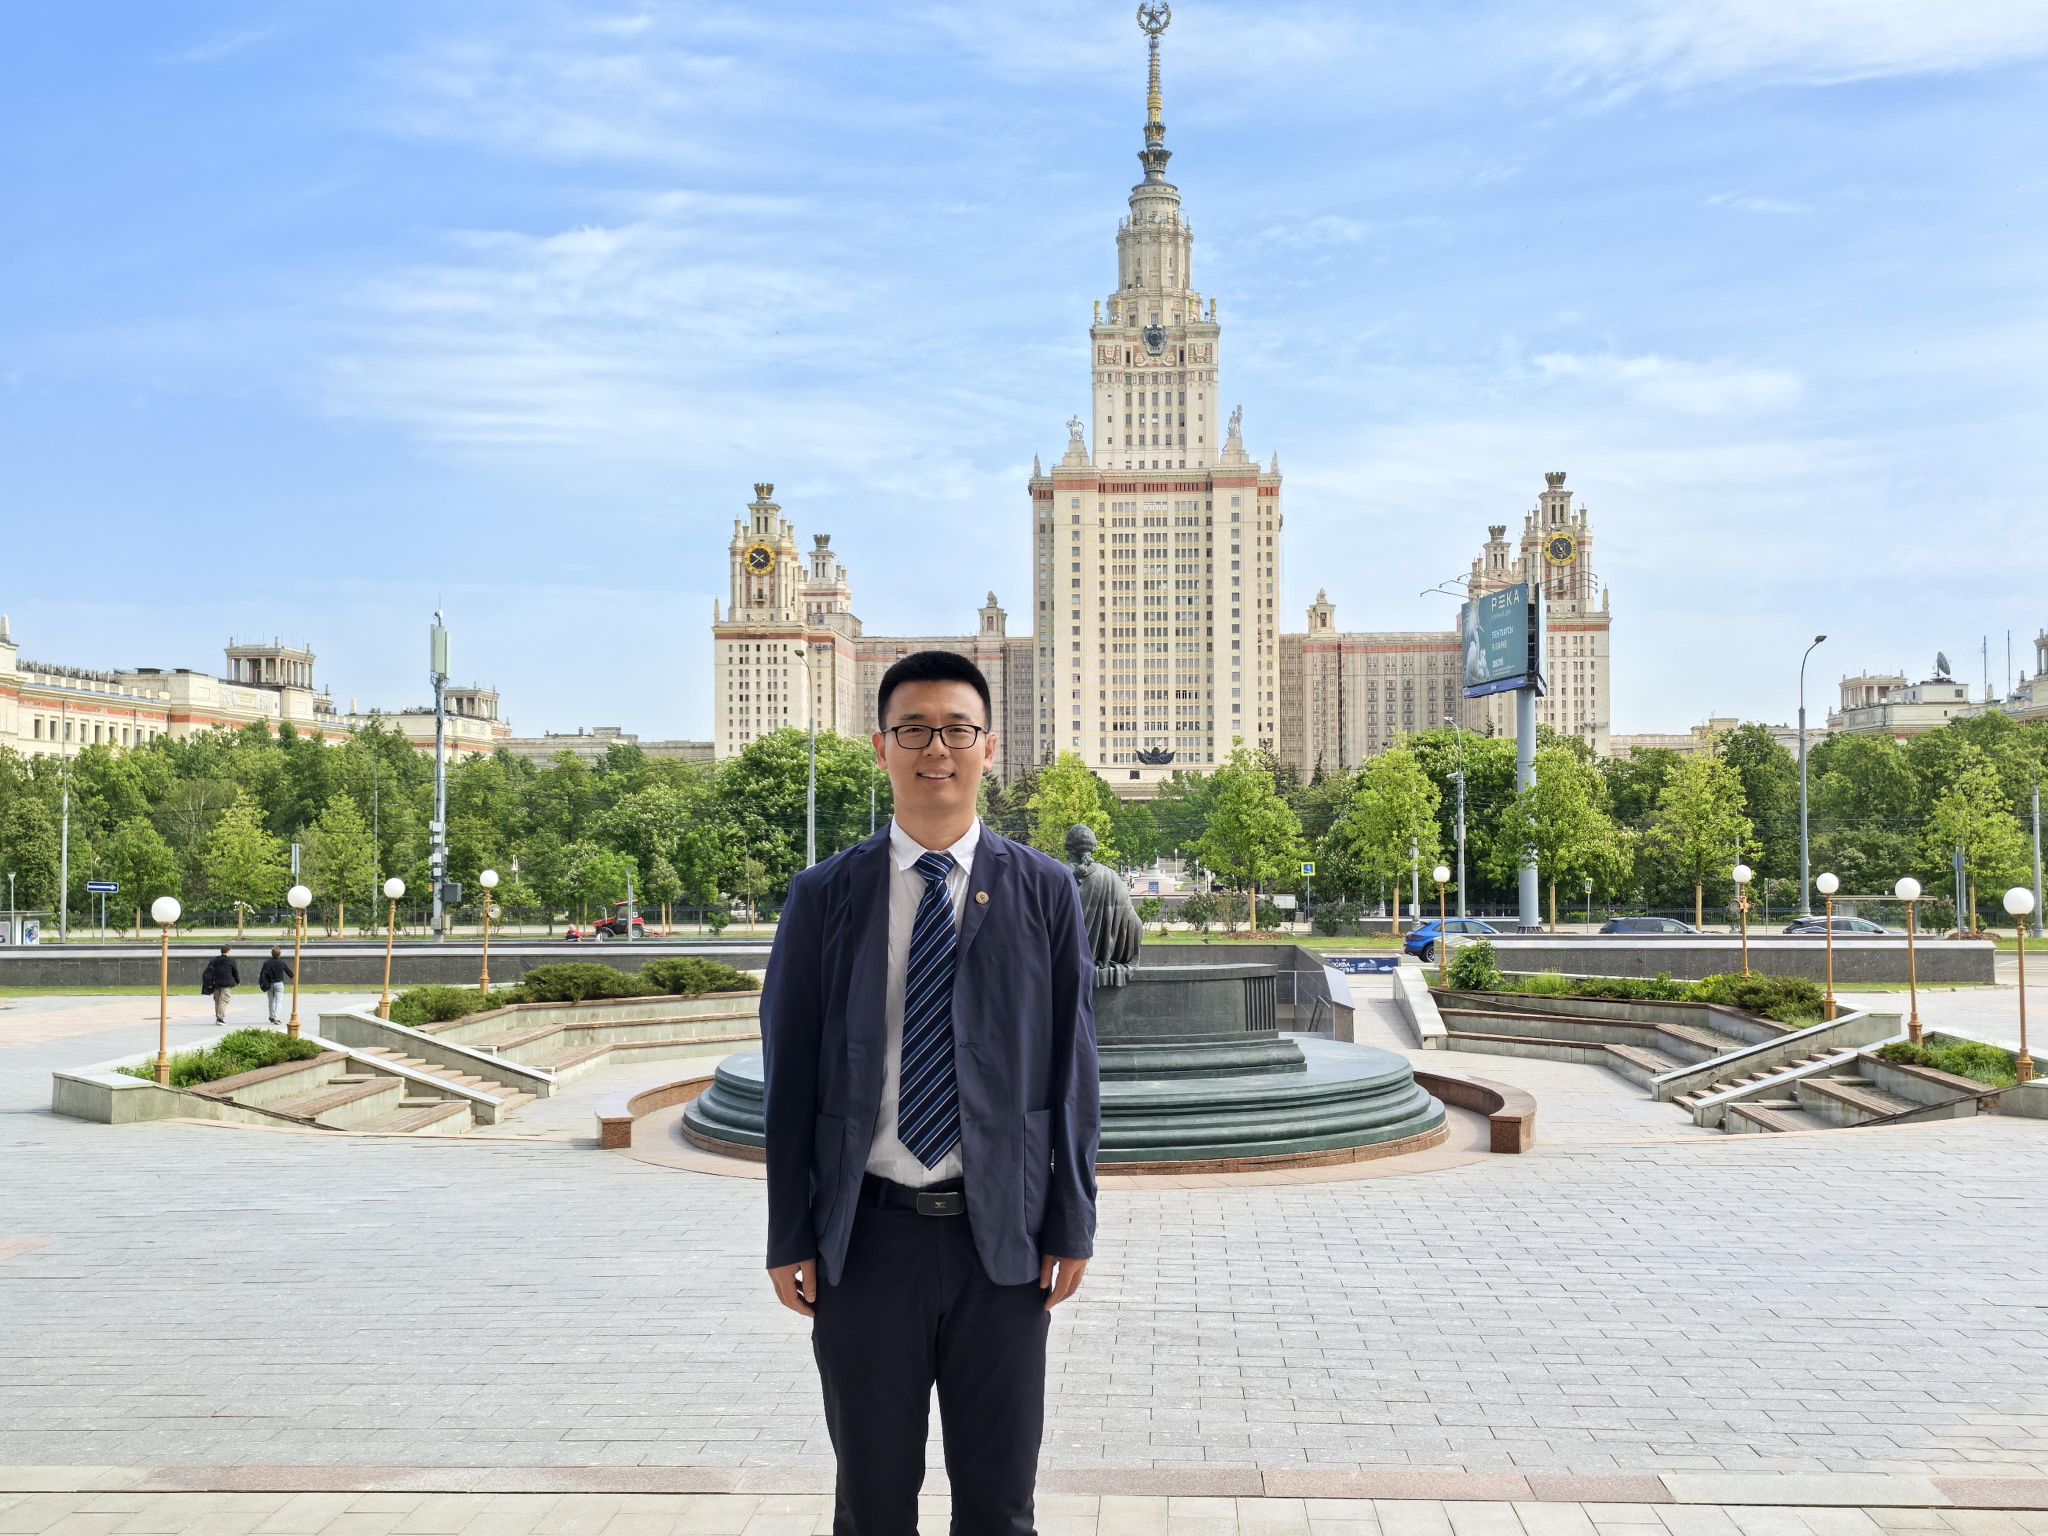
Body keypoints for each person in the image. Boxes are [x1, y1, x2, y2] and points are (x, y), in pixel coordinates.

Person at [761, 649, 1101, 1536]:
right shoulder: (825, 895)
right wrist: (789, 1231)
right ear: (881, 747)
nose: (936, 749)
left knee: (1000, 1508)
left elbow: (1073, 1070)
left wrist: (1071, 1221)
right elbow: (788, 1077)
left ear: (990, 747)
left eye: (956, 729)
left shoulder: (1045, 891)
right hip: (866, 1241)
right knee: (872, 1506)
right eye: (913, 731)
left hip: (1004, 1244)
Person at [199, 946, 240, 1025]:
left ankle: (218, 1018)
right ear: (228, 951)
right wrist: (237, 981)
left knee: (217, 1001)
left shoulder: (214, 960)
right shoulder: (231, 960)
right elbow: (235, 972)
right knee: (224, 1000)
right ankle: (220, 1019)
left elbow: (208, 971)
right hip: (227, 984)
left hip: (216, 984)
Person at [258, 946, 293, 1026]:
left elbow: (262, 974)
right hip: (279, 984)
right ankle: (276, 1018)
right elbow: (291, 974)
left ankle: (271, 1016)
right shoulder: (282, 963)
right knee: (278, 1001)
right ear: (279, 954)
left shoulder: (267, 963)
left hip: (269, 984)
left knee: (271, 1001)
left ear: (272, 953)